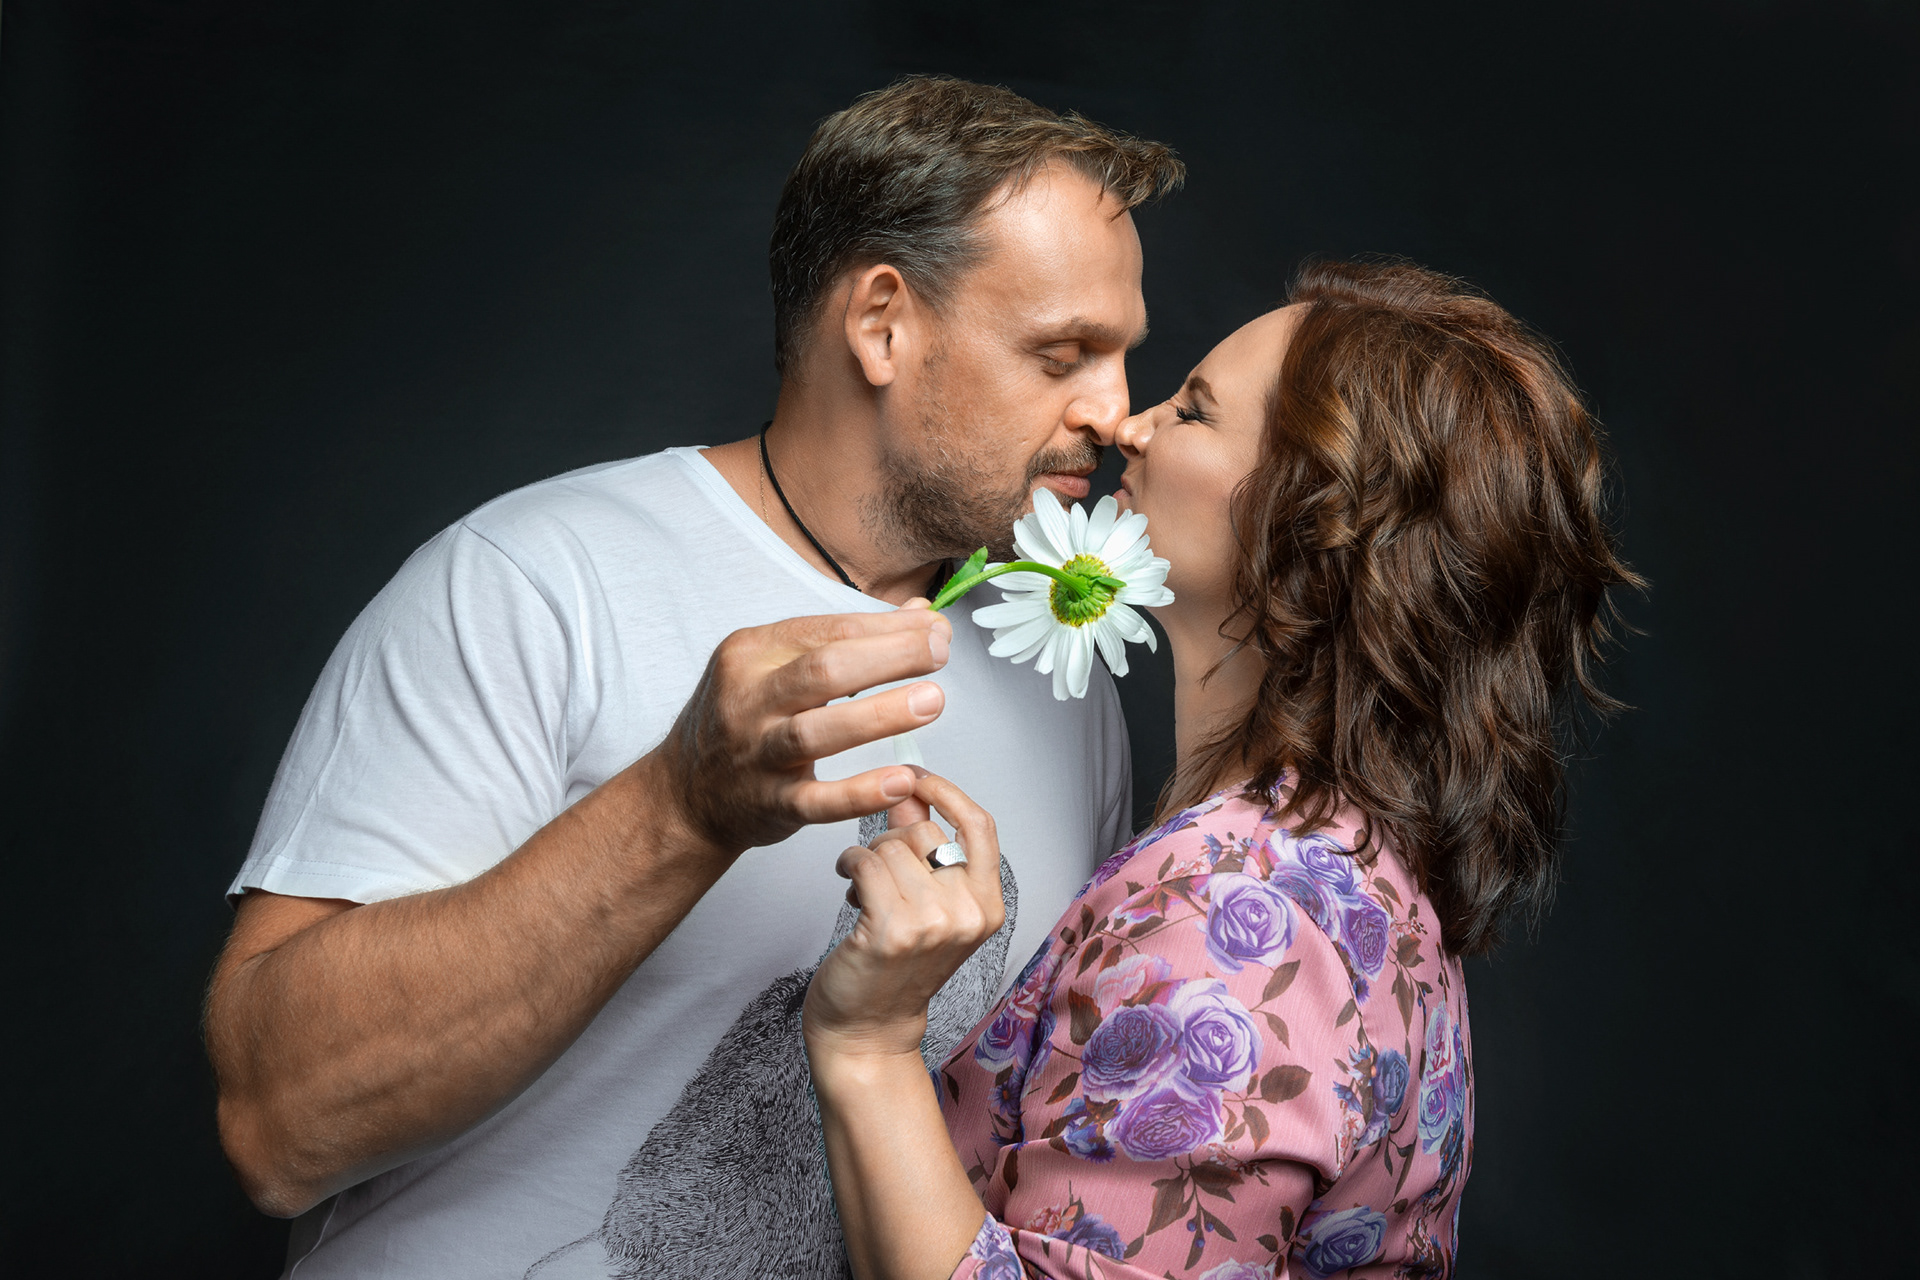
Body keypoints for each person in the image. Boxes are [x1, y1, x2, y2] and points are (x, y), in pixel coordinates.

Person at [203, 77, 1183, 1278]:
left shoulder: (1066, 673)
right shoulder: (531, 584)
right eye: (1062, 353)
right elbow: (278, 1129)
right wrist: (680, 804)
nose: (1117, 413)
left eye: (1123, 356)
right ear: (882, 323)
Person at [802, 259, 1641, 1279]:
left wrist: (870, 1046)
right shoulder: (1357, 865)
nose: (1131, 427)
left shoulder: (1227, 909)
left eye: (1193, 412)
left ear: (1313, 524)